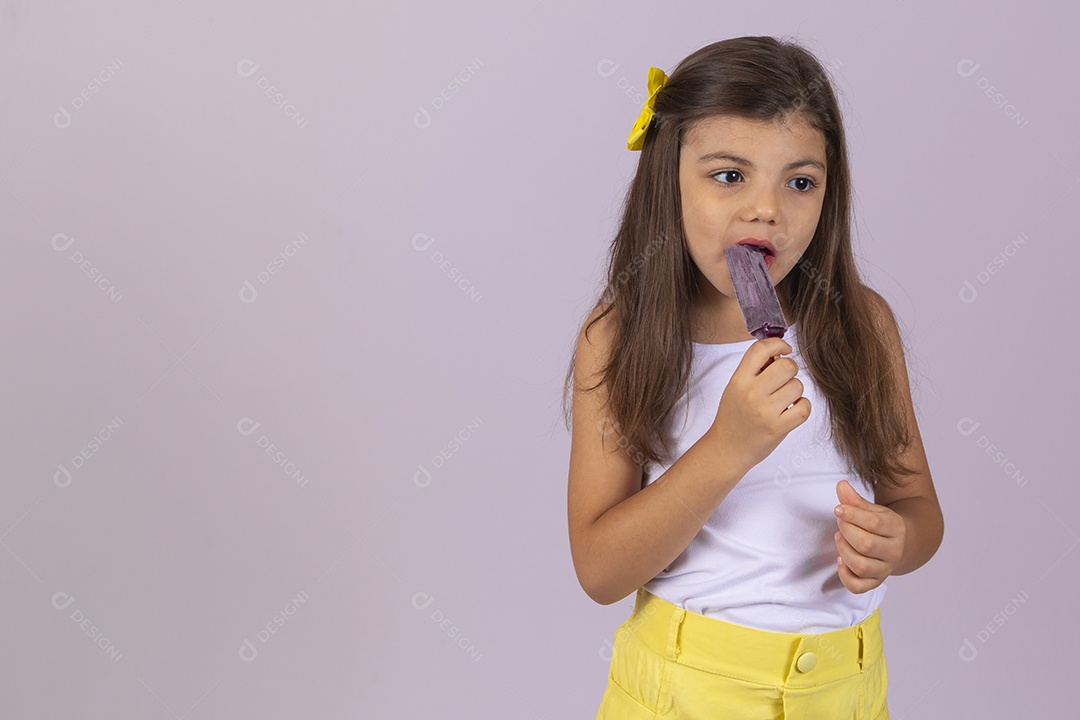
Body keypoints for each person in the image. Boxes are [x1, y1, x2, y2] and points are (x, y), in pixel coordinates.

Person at [562, 36, 944, 719]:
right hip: (686, 692)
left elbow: (920, 512)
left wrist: (898, 541)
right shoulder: (623, 337)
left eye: (800, 182)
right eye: (730, 176)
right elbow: (600, 570)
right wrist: (729, 445)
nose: (768, 209)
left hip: (849, 691)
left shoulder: (862, 324)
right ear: (667, 179)